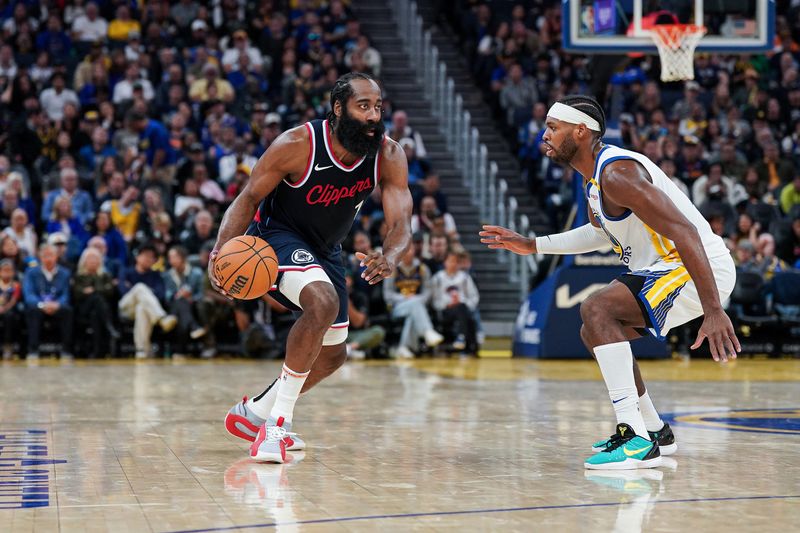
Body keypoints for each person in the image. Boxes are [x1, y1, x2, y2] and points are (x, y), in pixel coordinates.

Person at [480, 95, 739, 470]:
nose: (545, 135)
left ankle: (634, 439)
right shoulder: (595, 183)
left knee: (597, 307)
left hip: (698, 266)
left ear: (581, 132)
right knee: (595, 329)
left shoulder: (618, 173)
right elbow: (600, 233)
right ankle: (653, 431)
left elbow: (686, 232)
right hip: (669, 267)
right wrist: (534, 245)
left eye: (554, 128)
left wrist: (714, 310)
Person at [212, 72, 412, 463]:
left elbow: (401, 223)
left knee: (334, 356)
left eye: (378, 107)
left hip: (326, 250)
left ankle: (255, 412)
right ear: (338, 109)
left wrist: (390, 257)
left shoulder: (387, 155)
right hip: (275, 239)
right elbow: (249, 196)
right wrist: (220, 250)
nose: (374, 116)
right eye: (363, 106)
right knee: (322, 304)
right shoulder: (297, 144)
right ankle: (274, 429)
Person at [118, 244, 178, 358]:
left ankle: (142, 350)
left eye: (152, 257)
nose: (148, 259)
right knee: (140, 287)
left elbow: (160, 295)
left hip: (146, 309)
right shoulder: (126, 272)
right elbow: (123, 291)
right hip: (126, 307)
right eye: (145, 255)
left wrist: (136, 291)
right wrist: (145, 291)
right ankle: (162, 318)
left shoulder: (156, 275)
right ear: (137, 257)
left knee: (142, 308)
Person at [383, 245, 443, 358]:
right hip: (398, 307)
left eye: (410, 250)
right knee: (415, 305)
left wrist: (415, 299)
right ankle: (427, 331)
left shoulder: (423, 269)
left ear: (414, 251)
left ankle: (403, 347)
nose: (408, 253)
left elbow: (428, 292)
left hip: (417, 305)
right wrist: (405, 298)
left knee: (413, 314)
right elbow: (388, 295)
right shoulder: (392, 269)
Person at [22, 244, 74, 360]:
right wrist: (42, 305)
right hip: (39, 305)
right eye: (45, 255)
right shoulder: (31, 272)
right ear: (40, 257)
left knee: (67, 311)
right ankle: (33, 350)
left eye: (51, 255)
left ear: (56, 257)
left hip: (57, 306)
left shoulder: (65, 273)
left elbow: (66, 294)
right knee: (32, 310)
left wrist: (57, 304)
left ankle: (66, 350)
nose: (48, 258)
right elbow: (29, 294)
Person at [72, 247, 119, 359]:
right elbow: (76, 293)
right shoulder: (78, 276)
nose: (93, 261)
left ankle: (97, 352)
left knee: (96, 314)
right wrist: (99, 290)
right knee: (97, 298)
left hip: (98, 311)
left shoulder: (105, 275)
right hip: (83, 310)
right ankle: (109, 327)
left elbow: (111, 292)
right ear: (84, 261)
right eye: (90, 259)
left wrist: (91, 291)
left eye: (95, 259)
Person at [430, 250, 479, 354]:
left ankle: (463, 339)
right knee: (464, 314)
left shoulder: (465, 277)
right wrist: (446, 304)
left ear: (458, 264)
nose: (452, 264)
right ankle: (463, 339)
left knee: (462, 309)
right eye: (450, 261)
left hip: (463, 308)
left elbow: (474, 297)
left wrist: (464, 303)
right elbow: (434, 301)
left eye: (455, 261)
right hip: (445, 311)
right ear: (445, 263)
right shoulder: (438, 278)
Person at [163, 245, 207, 356]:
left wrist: (191, 298)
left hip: (192, 305)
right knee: (181, 303)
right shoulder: (168, 275)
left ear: (182, 258)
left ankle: (180, 351)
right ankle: (194, 327)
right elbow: (167, 295)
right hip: (174, 305)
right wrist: (177, 295)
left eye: (174, 257)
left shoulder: (196, 273)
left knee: (183, 307)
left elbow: (201, 294)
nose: (171, 260)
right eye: (169, 257)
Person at [0, 259, 22, 359]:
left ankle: (7, 345)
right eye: (4, 270)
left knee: (9, 316)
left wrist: (4, 308)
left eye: (9, 270)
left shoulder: (16, 285)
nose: (6, 272)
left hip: (10, 309)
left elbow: (14, 299)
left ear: (13, 272)